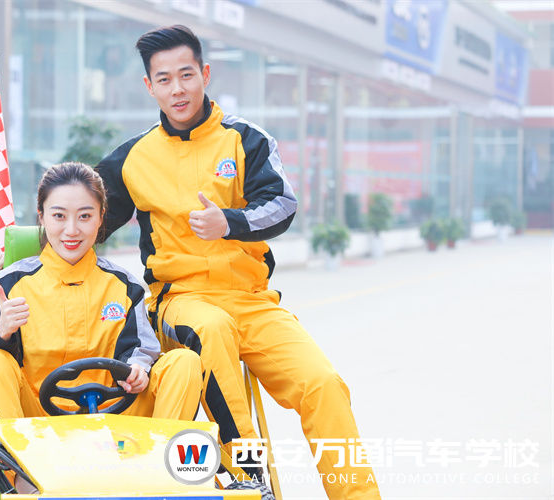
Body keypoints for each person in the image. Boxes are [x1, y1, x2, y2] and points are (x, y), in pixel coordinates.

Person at [93, 25, 381, 499]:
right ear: (149, 86)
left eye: (186, 74)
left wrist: (230, 222)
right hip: (182, 300)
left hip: (253, 301)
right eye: (164, 79)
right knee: (212, 329)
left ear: (205, 74)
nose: (177, 88)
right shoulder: (133, 158)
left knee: (324, 384)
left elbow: (282, 205)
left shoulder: (245, 140)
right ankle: (248, 477)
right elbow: (83, 220)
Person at [0, 162, 203, 491]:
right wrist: (3, 331)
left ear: (100, 217)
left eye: (84, 216)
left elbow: (140, 348)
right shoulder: (8, 284)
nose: (72, 230)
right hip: (38, 425)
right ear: (41, 216)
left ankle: (162, 478)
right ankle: (23, 481)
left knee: (184, 361)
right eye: (59, 216)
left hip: (118, 420)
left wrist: (138, 369)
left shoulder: (124, 285)